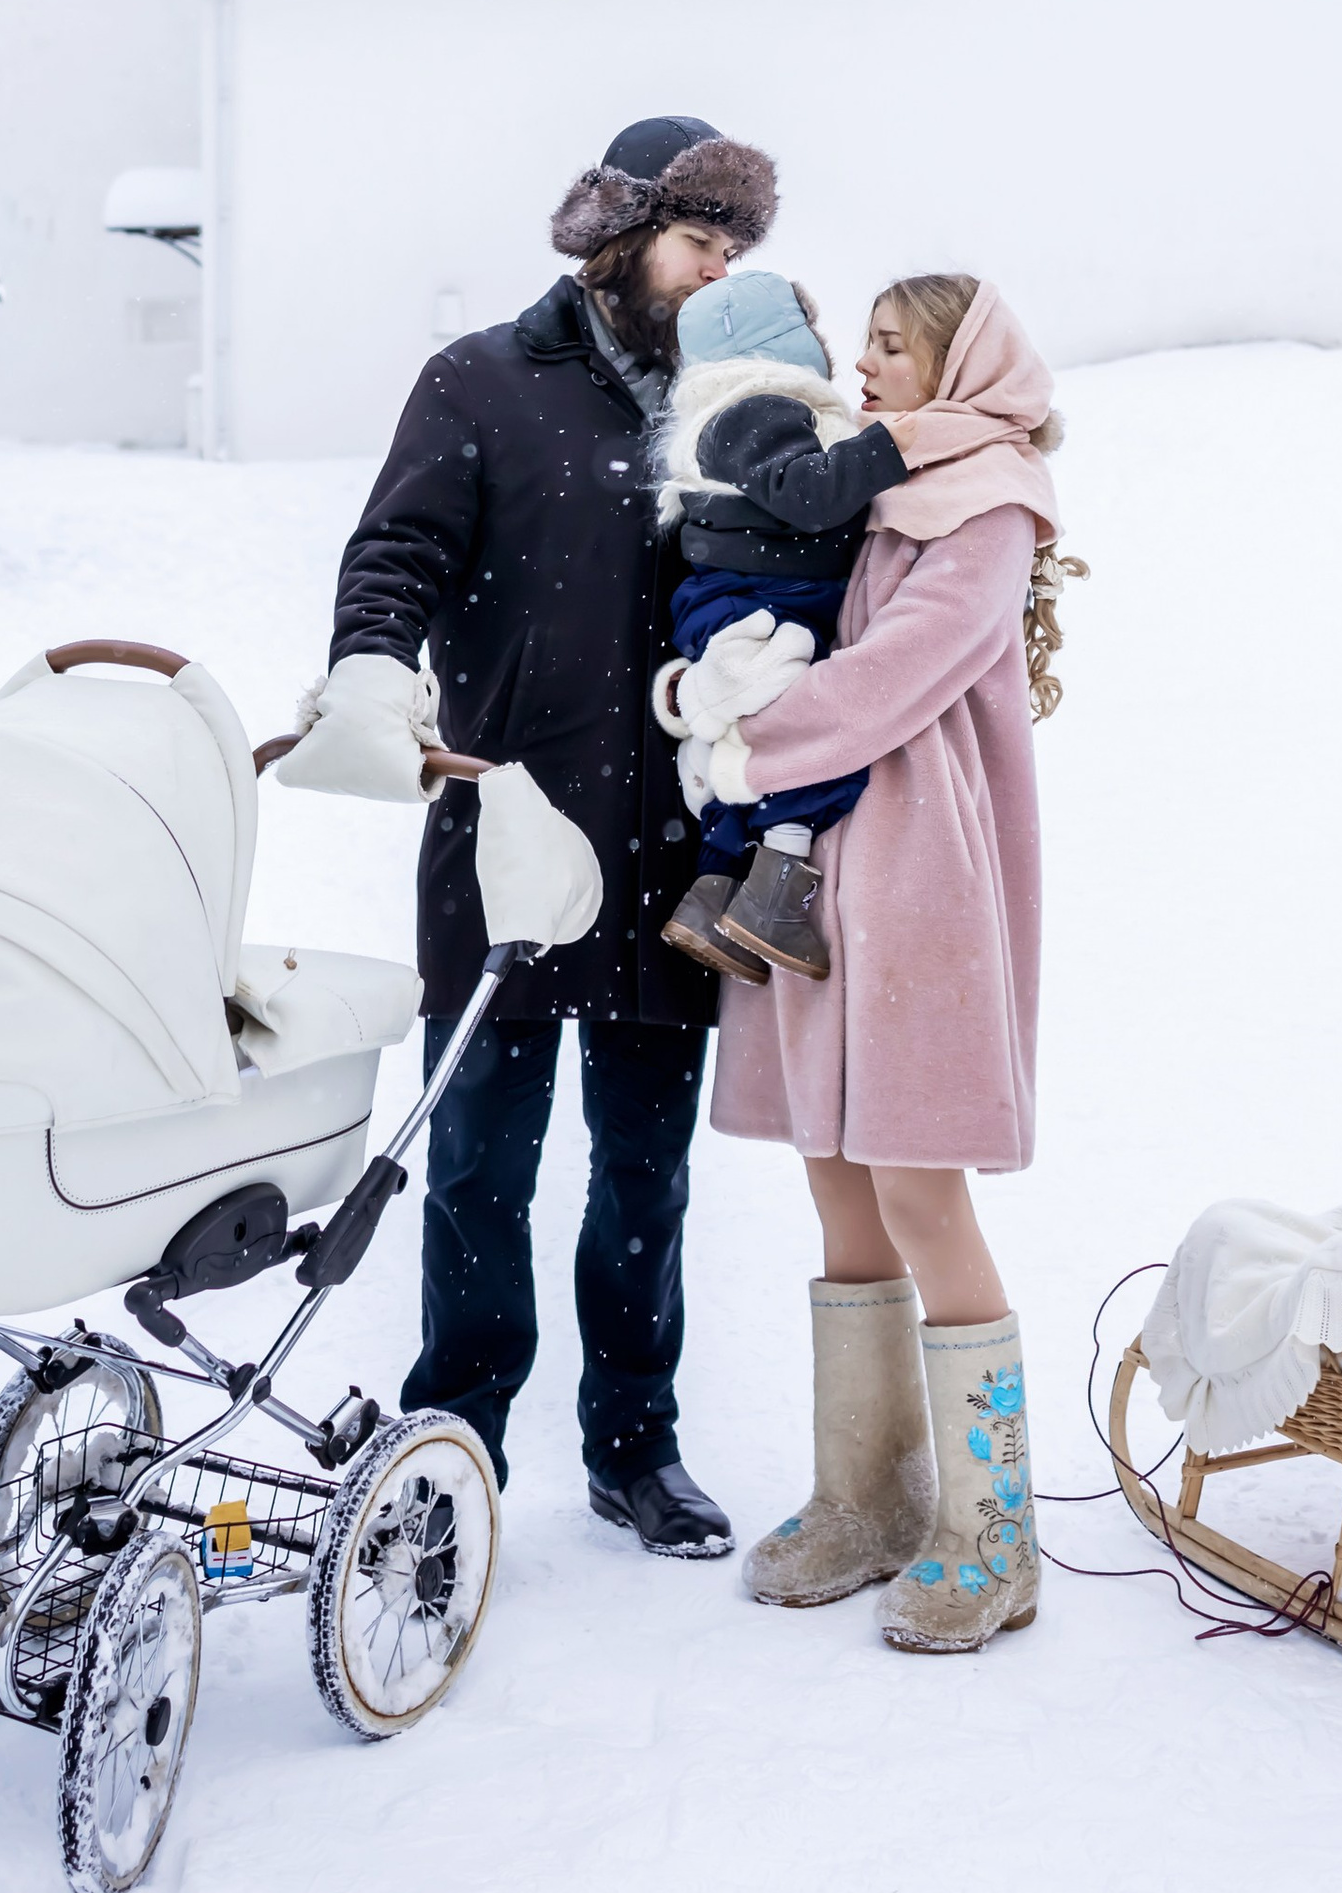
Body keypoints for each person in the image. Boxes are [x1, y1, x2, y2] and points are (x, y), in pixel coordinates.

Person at [278, 112, 778, 1558]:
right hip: (504, 832)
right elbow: (395, 556)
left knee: (644, 1172)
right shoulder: (485, 384)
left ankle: (636, 1448)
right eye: (702, 240)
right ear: (620, 235)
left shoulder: (737, 409)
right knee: (481, 1169)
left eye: (740, 247)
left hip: (674, 856)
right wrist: (374, 665)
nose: (721, 270)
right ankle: (455, 1447)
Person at [695, 272, 1064, 1654]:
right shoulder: (874, 489)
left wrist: (746, 741)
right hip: (819, 882)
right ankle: (866, 1497)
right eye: (862, 343)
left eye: (893, 346)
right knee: (838, 1180)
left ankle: (993, 1532)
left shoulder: (990, 501)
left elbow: (899, 671)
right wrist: (703, 681)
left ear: (963, 360)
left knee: (919, 1184)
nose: (864, 367)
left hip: (918, 886)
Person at [649, 270, 909, 983]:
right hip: (765, 602)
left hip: (753, 597)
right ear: (777, 341)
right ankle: (775, 896)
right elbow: (809, 496)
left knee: (745, 746)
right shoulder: (756, 408)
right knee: (812, 740)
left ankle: (713, 893)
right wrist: (895, 447)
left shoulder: (740, 413)